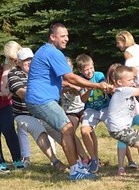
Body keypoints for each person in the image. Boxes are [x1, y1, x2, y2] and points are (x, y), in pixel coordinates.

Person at [25, 23, 112, 181]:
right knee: (67, 128)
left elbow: (51, 79)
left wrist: (69, 86)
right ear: (53, 37)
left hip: (39, 99)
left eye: (67, 35)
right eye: (63, 36)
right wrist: (96, 85)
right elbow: (69, 77)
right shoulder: (53, 53)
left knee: (67, 129)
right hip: (41, 100)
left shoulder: (44, 51)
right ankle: (75, 170)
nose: (67, 38)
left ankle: (78, 165)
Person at [7, 47, 65, 171]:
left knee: (62, 131)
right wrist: (40, 91)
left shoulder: (39, 71)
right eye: (25, 60)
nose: (29, 62)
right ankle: (55, 161)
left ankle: (82, 159)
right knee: (38, 129)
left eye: (31, 59)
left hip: (42, 111)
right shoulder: (13, 74)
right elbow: (21, 93)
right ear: (18, 62)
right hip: (23, 114)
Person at [76, 54, 109, 174]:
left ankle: (129, 159)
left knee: (117, 129)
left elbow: (103, 85)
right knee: (84, 131)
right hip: (90, 109)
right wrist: (89, 88)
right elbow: (83, 100)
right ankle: (93, 158)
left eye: (91, 68)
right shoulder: (80, 80)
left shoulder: (99, 75)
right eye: (86, 69)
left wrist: (101, 85)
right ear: (80, 70)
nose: (90, 71)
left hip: (105, 107)